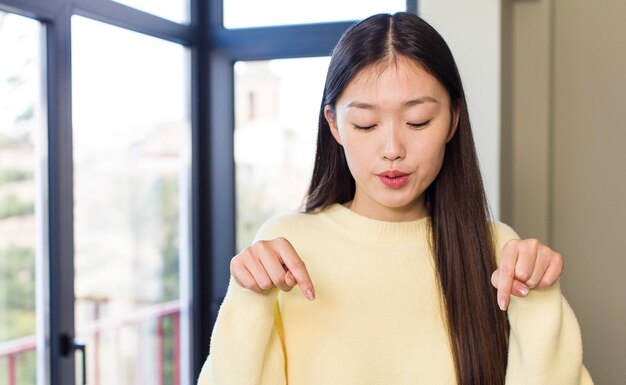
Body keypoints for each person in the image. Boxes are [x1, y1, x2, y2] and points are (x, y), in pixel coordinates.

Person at [198, 12, 593, 385]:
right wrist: (249, 299)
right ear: (334, 125)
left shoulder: (500, 252)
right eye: (366, 124)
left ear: (453, 119)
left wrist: (540, 301)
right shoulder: (286, 248)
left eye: (417, 121)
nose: (392, 149)